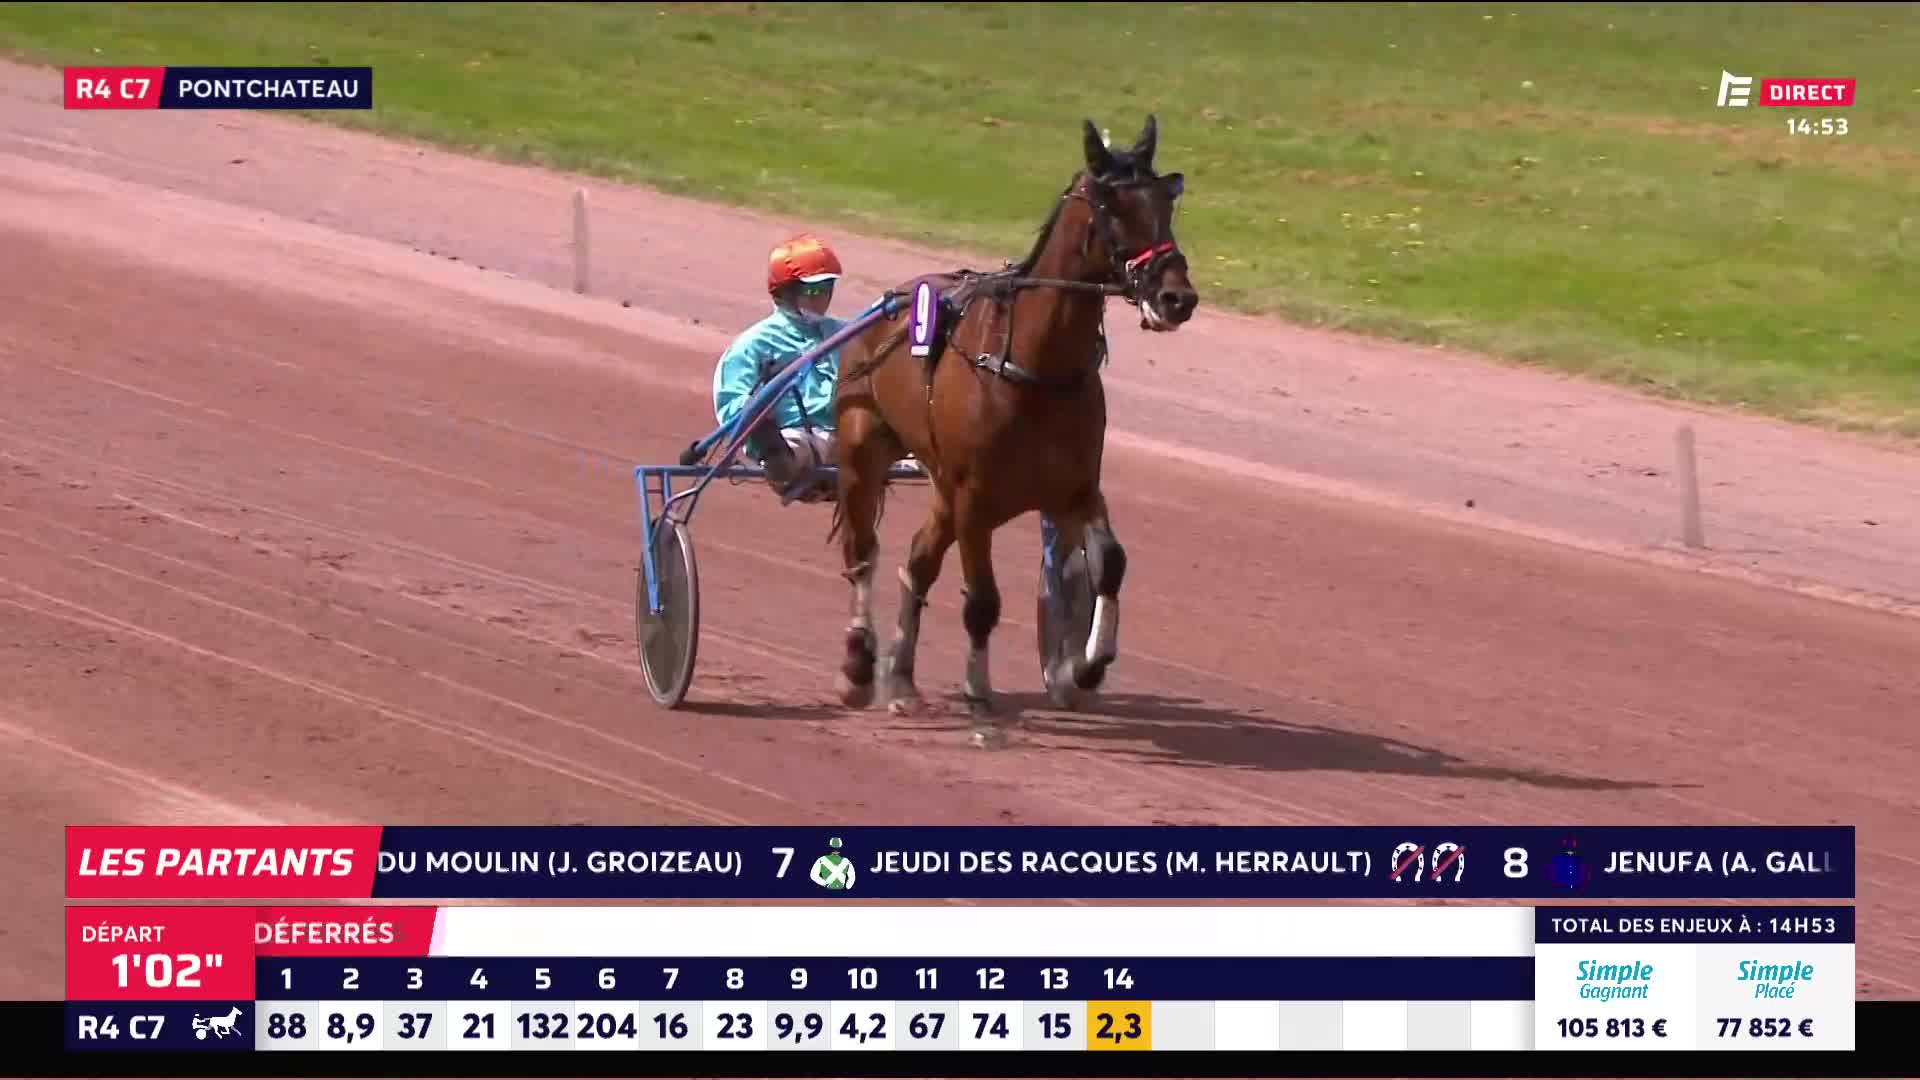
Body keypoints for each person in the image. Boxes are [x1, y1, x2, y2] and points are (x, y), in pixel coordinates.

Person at [710, 232, 853, 503]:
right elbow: (730, 408)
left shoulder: (847, 334)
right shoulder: (754, 344)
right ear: (786, 292)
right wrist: (756, 412)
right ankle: (779, 459)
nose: (822, 298)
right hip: (795, 436)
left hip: (849, 433)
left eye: (828, 288)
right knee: (795, 444)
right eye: (813, 290)